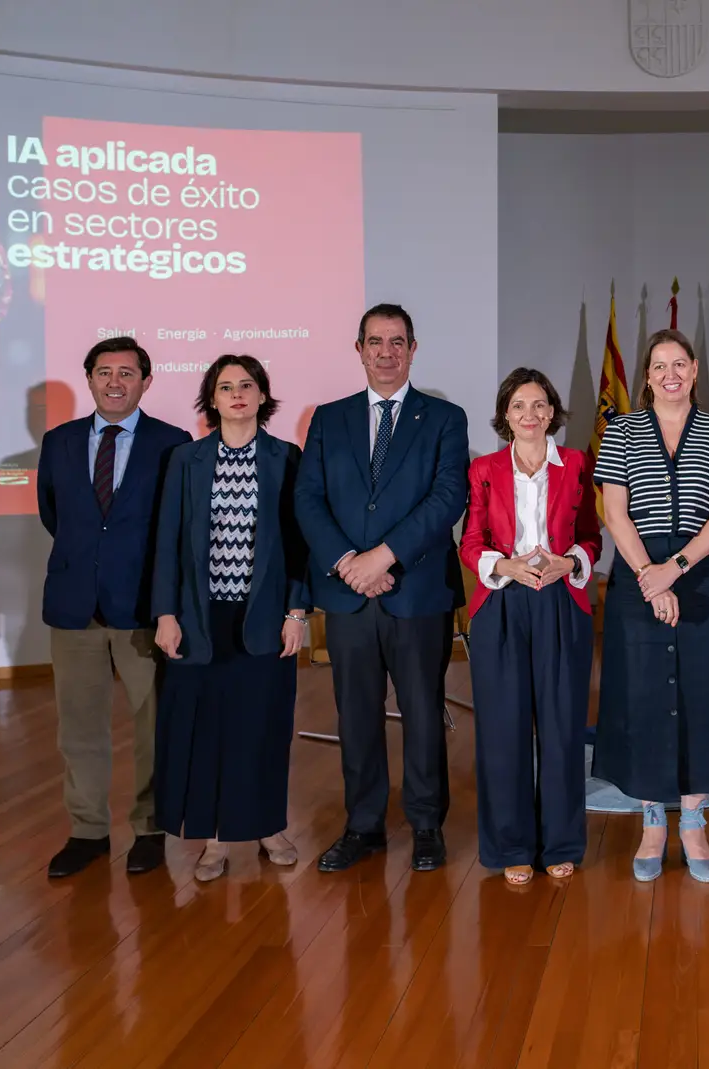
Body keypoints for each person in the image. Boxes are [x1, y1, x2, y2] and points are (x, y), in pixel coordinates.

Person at [294, 304, 469, 873]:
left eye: (398, 342)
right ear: (359, 349)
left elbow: (447, 499)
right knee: (357, 716)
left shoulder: (444, 418)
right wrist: (350, 562)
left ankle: (425, 826)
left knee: (422, 714)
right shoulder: (328, 418)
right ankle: (364, 826)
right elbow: (308, 500)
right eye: (376, 342)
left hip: (415, 592)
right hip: (348, 594)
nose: (386, 352)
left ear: (413, 349)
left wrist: (384, 557)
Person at [593, 329, 709, 883]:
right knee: (644, 699)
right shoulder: (622, 431)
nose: (670, 373)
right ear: (647, 375)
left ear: (696, 370)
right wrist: (648, 580)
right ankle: (654, 820)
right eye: (659, 365)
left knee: (703, 699)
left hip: (700, 578)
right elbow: (615, 513)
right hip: (638, 577)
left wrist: (672, 573)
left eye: (679, 363)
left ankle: (694, 821)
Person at [150, 355, 310, 881]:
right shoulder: (185, 460)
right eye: (226, 387)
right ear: (211, 399)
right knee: (208, 730)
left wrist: (296, 610)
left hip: (264, 618)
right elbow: (168, 544)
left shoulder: (287, 458)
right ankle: (216, 838)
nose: (237, 393)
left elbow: (299, 544)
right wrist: (166, 613)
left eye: (247, 385)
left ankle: (268, 827)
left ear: (263, 396)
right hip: (200, 618)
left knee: (263, 727)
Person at [37, 336, 191, 878]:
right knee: (78, 728)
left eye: (127, 373)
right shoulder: (59, 441)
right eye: (104, 372)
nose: (115, 382)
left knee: (152, 725)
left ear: (146, 382)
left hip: (145, 608)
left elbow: (177, 527)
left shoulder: (173, 443)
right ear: (90, 379)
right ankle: (87, 832)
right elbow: (54, 514)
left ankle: (149, 829)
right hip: (74, 606)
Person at [459, 368, 601, 885]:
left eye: (540, 405)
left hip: (562, 599)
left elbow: (591, 536)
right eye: (519, 406)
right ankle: (511, 845)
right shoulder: (485, 469)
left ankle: (561, 842)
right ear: (505, 416)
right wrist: (505, 565)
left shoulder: (578, 464)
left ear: (553, 413)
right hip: (500, 604)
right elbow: (470, 542)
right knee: (503, 729)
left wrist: (570, 561)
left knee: (563, 726)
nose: (530, 415)